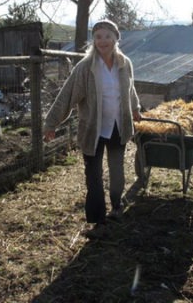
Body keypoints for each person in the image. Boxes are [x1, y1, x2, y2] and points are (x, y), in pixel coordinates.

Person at [44, 19, 141, 239]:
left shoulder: (125, 63)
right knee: (94, 176)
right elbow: (67, 96)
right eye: (98, 37)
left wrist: (135, 109)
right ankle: (98, 221)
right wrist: (51, 123)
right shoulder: (86, 67)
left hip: (118, 126)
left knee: (117, 171)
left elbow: (130, 89)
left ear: (116, 38)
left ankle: (117, 206)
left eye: (107, 36)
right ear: (93, 40)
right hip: (92, 130)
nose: (103, 41)